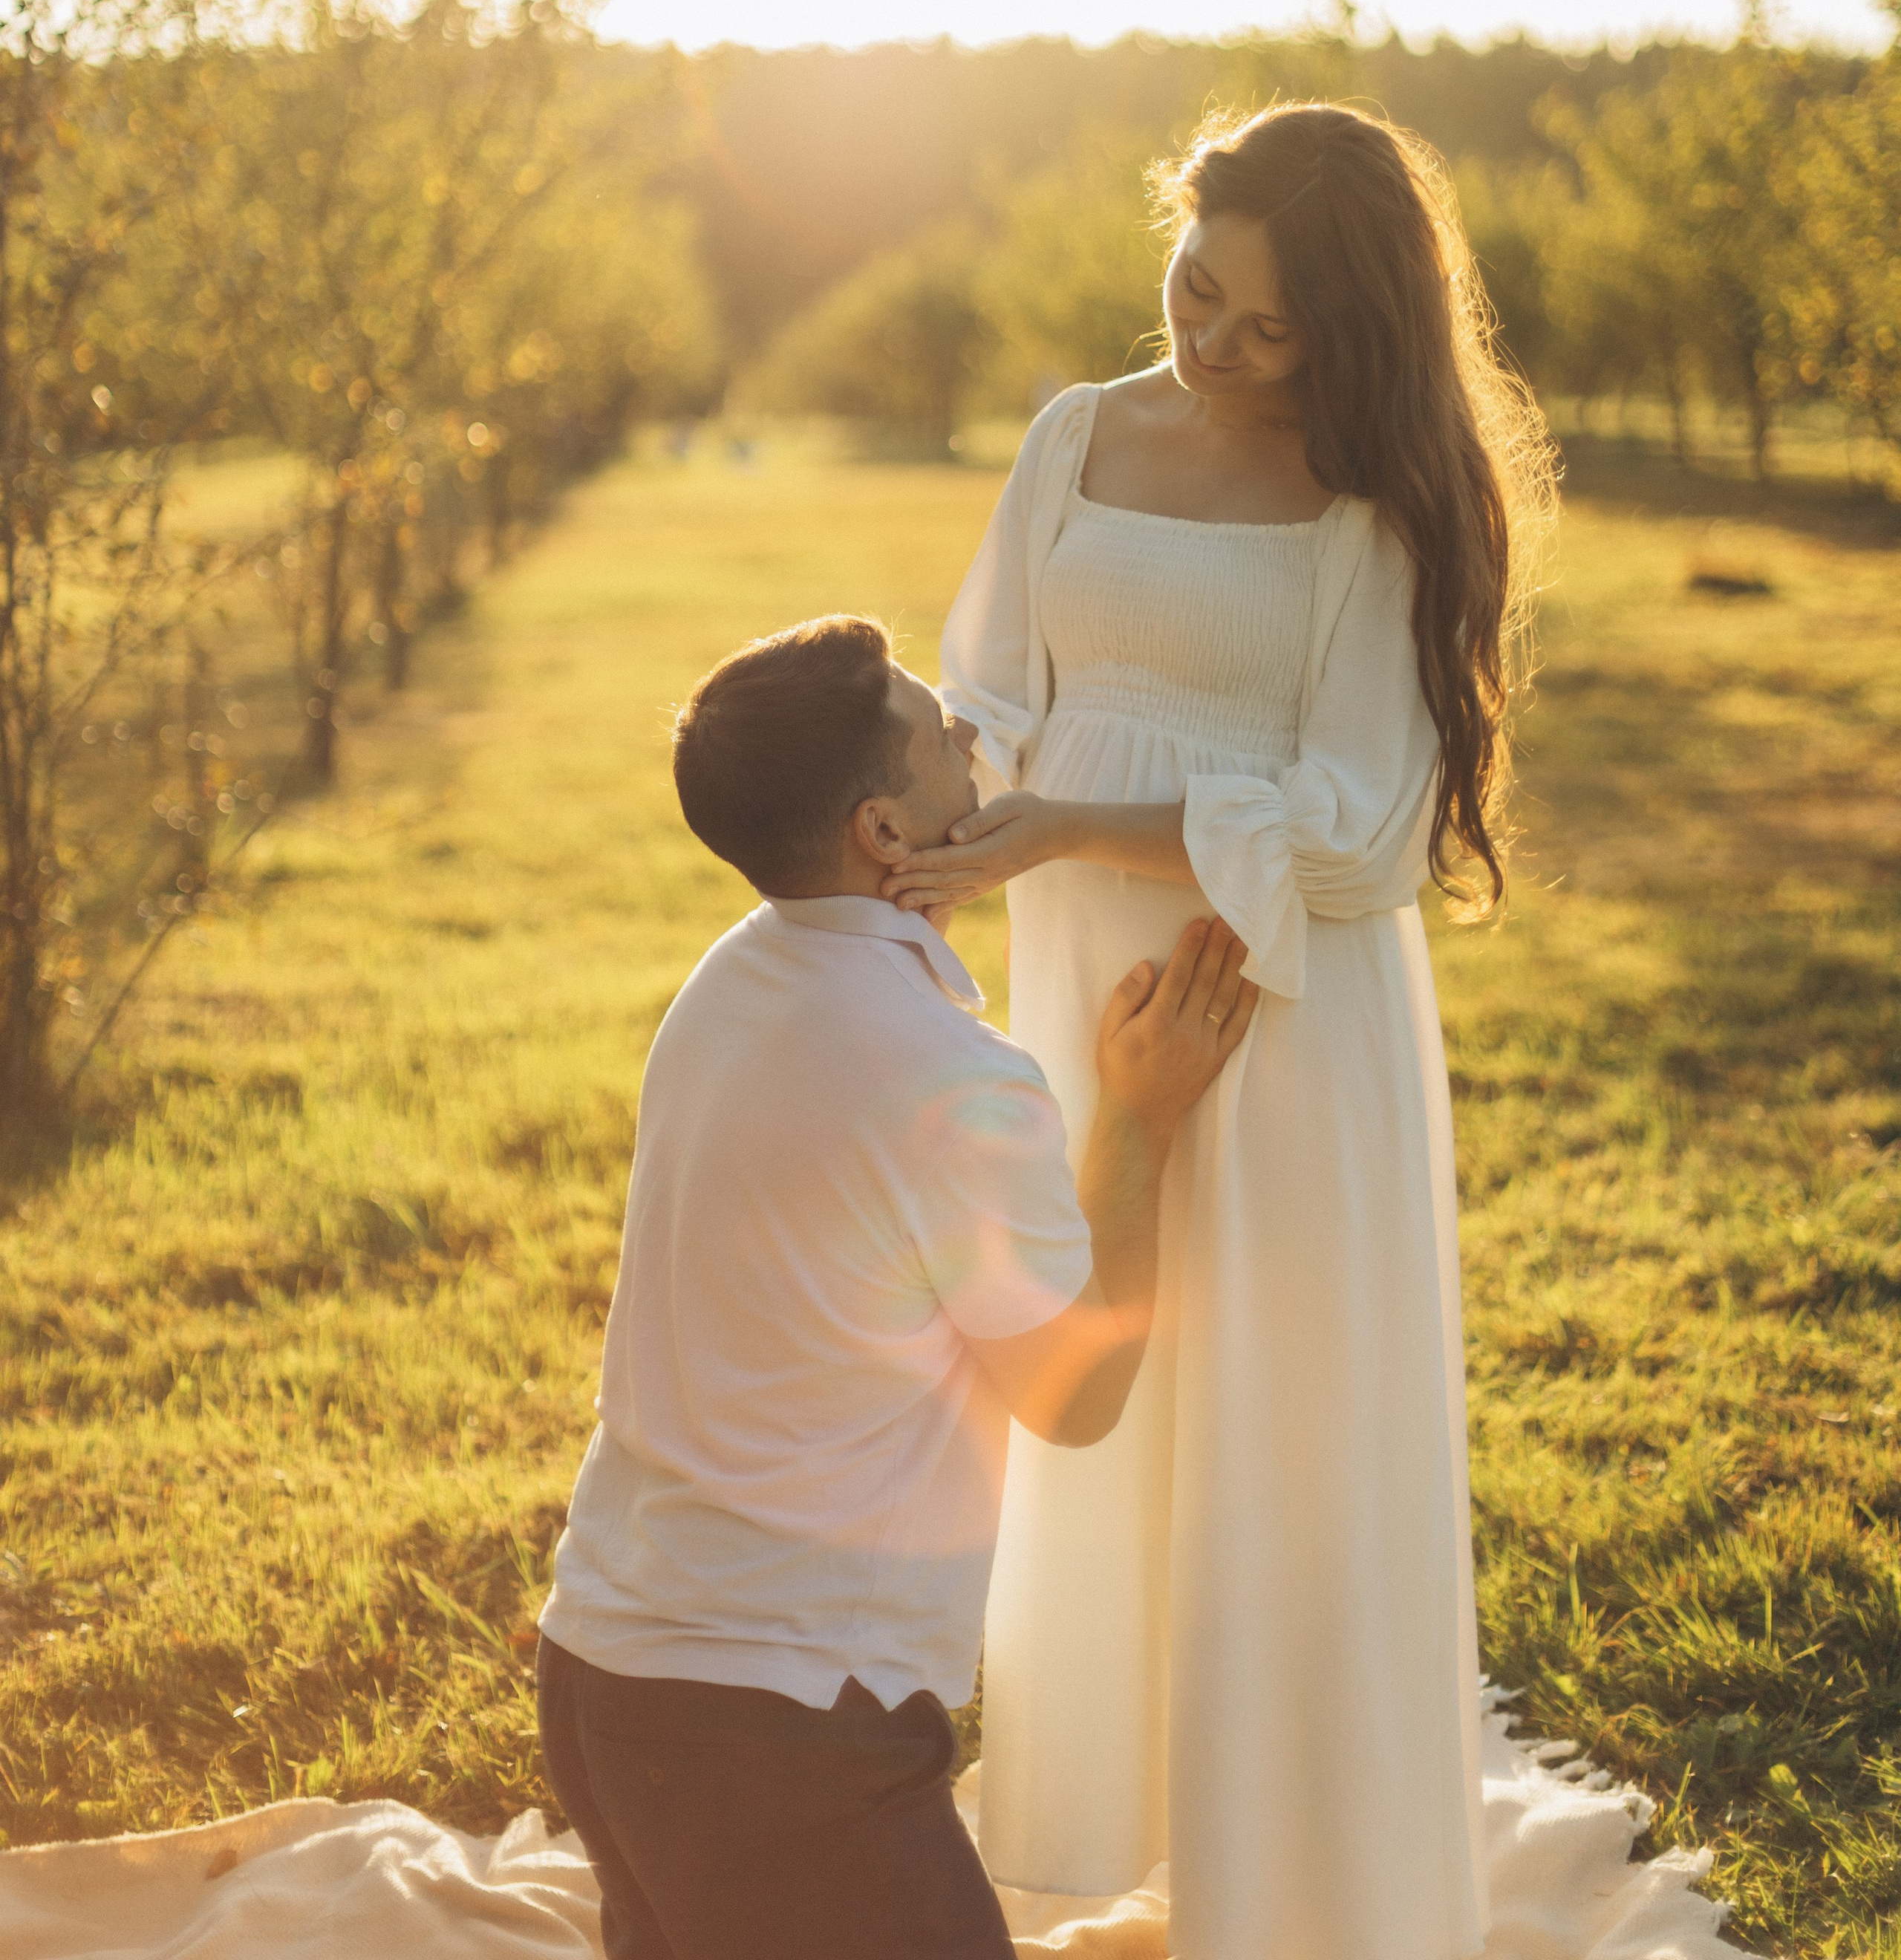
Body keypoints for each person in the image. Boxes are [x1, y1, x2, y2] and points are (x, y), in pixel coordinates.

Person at [881, 101, 1556, 1960]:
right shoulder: (1074, 436)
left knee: (1279, 1424)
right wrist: (947, 818)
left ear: (1353, 332)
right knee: (1108, 1381)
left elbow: (1346, 834)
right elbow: (991, 689)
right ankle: (1126, 1826)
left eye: (1275, 330)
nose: (1221, 347)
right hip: (1073, 973)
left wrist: (1080, 823)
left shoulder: (1376, 498)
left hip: (1278, 1003)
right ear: (1172, 235)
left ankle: (1310, 1886)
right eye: (1200, 290)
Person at [537, 613, 1257, 1960]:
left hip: (599, 1674)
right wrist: (1140, 1121)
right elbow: (1077, 1390)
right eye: (940, 737)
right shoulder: (942, 1071)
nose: (972, 742)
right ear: (883, 827)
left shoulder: (729, 981)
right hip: (777, 1732)